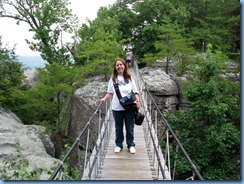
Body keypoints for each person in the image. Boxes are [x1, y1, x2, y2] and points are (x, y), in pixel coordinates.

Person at [100, 58, 140, 154]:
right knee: (118, 128)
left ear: (124, 66)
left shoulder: (129, 78)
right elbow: (110, 93)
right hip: (117, 108)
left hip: (129, 107)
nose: (119, 66)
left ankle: (131, 145)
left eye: (121, 65)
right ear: (115, 68)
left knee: (129, 127)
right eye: (117, 65)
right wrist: (104, 98)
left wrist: (138, 101)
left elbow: (135, 92)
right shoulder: (113, 80)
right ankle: (119, 145)